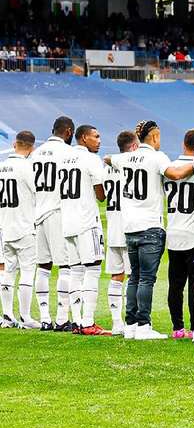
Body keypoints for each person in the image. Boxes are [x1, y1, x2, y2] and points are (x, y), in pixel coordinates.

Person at [108, 120, 194, 340]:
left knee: (134, 276)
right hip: (150, 226)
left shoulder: (124, 157)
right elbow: (175, 174)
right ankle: (144, 326)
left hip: (129, 227)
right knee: (146, 278)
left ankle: (131, 325)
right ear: (154, 136)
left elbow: (108, 158)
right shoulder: (157, 157)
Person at [58, 124, 107, 335]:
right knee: (93, 269)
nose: (99, 140)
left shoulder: (62, 160)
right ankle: (88, 322)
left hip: (67, 223)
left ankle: (77, 321)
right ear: (84, 138)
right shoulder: (90, 159)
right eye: (96, 137)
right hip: (87, 222)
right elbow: (101, 193)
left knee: (75, 271)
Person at [32, 116, 75, 331]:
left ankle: (45, 318)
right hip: (58, 212)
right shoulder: (68, 153)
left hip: (38, 213)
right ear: (68, 132)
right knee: (65, 266)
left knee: (43, 267)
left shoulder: (35, 153)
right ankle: (61, 318)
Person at [165, 129, 194, 339]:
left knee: (175, 284)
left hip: (173, 233)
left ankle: (177, 328)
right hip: (193, 234)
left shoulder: (169, 167)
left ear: (183, 144)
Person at [0, 131, 41, 329]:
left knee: (8, 271)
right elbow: (38, 194)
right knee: (27, 271)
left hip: (5, 226)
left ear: (15, 144)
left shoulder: (1, 167)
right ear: (32, 148)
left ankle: (7, 315)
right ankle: (25, 317)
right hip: (25, 226)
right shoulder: (28, 168)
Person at [103, 130, 139, 336]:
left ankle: (117, 323)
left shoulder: (106, 168)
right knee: (134, 277)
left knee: (117, 276)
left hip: (113, 228)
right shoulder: (131, 166)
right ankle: (132, 321)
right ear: (133, 147)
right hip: (129, 227)